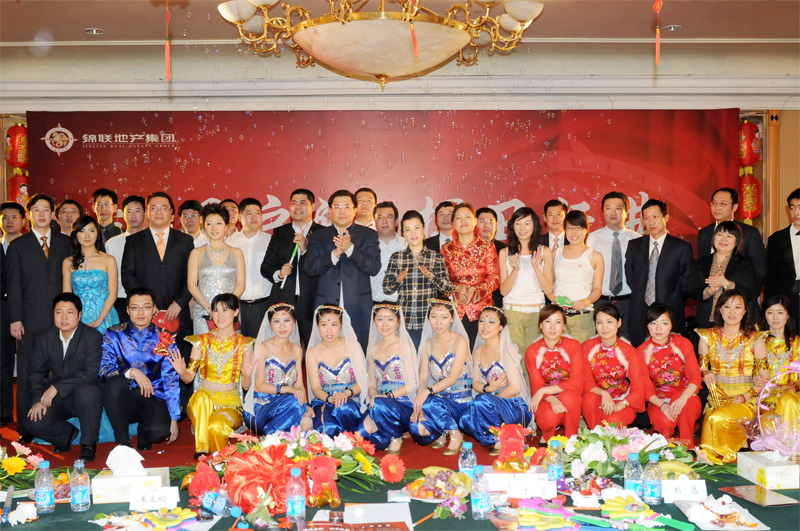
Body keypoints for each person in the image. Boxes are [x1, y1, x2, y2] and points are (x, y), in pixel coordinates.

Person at [7, 193, 71, 442]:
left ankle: (57, 421)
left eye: (46, 210)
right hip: (29, 321)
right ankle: (27, 427)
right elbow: (13, 286)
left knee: (61, 372)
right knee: (28, 373)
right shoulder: (18, 246)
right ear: (29, 215)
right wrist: (15, 319)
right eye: (36, 210)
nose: (42, 214)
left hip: (62, 320)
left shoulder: (66, 243)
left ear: (53, 214)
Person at [171, 294, 256, 459]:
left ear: (236, 312)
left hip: (231, 406)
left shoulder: (245, 344)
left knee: (215, 427)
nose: (220, 315)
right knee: (201, 397)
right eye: (216, 311)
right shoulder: (201, 341)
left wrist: (247, 376)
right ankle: (201, 450)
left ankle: (222, 461)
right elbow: (189, 378)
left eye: (225, 310)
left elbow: (246, 386)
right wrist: (181, 372)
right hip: (202, 405)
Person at [24, 293, 103, 462]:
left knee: (87, 392)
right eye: (59, 312)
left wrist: (57, 387)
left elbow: (90, 373)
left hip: (86, 395)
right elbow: (35, 372)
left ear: (79, 315)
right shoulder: (44, 337)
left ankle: (88, 444)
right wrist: (37, 399)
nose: (64, 317)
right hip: (59, 397)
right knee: (32, 423)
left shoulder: (93, 337)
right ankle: (67, 434)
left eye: (69, 312)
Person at [100, 287, 181, 451]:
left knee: (160, 432)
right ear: (128, 310)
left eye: (146, 307)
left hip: (153, 395)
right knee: (113, 384)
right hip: (124, 398)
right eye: (135, 307)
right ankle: (123, 443)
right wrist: (132, 372)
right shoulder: (113, 334)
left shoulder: (165, 338)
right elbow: (104, 370)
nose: (141, 312)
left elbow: (171, 379)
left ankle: (144, 432)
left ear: (154, 309)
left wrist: (174, 419)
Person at [697, 289, 769, 463]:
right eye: (727, 306)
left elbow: (765, 378)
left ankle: (724, 456)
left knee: (716, 419)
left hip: (745, 401)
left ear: (744, 311)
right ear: (720, 309)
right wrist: (705, 372)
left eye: (737, 307)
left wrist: (745, 396)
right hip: (716, 401)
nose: (732, 312)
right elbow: (700, 370)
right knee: (710, 431)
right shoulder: (707, 337)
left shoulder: (755, 339)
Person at [304, 190, 381, 349]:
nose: (342, 211)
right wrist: (334, 254)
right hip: (326, 311)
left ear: (355, 210)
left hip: (358, 309)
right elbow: (310, 268)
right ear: (330, 211)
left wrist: (350, 249)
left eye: (347, 207)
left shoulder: (369, 235)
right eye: (337, 207)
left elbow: (374, 267)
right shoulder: (318, 236)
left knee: (359, 355)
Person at [460, 307, 531, 453]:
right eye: (482, 321)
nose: (485, 326)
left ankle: (501, 437)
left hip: (514, 405)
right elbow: (475, 384)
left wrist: (490, 401)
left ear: (500, 327)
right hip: (489, 402)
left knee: (480, 402)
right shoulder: (478, 351)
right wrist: (489, 389)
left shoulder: (508, 350)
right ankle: (503, 436)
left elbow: (514, 389)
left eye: (491, 322)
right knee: (464, 418)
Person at [625, 198, 693, 346]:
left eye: (655, 217)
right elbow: (630, 276)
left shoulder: (681, 247)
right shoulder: (634, 245)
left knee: (668, 353)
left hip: (670, 310)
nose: (651, 222)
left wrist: (671, 298)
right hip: (640, 310)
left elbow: (686, 282)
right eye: (646, 218)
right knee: (640, 352)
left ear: (666, 217)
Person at [409, 300, 472, 455]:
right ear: (428, 318)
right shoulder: (427, 345)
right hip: (438, 401)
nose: (438, 322)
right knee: (416, 429)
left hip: (460, 401)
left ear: (452, 319)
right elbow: (422, 379)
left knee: (430, 402)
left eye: (444, 317)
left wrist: (427, 393)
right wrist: (418, 405)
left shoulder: (460, 341)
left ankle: (455, 434)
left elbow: (452, 378)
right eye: (434, 316)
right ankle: (443, 428)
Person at [261, 188, 323, 345]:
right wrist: (279, 273)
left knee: (314, 349)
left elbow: (325, 267)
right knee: (284, 350)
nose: (297, 207)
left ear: (313, 207)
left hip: (313, 303)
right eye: (294, 203)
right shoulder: (280, 232)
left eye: (302, 203)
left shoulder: (323, 233)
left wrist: (305, 250)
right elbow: (266, 267)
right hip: (284, 302)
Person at [383, 210, 453, 349]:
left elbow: (447, 288)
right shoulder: (397, 257)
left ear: (424, 230)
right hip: (404, 323)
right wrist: (398, 280)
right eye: (408, 230)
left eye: (417, 228)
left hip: (429, 323)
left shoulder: (435, 257)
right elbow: (387, 289)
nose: (413, 233)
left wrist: (431, 276)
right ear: (403, 234)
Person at [638, 303, 702, 447]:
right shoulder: (641, 352)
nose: (658, 328)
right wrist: (663, 406)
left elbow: (695, 377)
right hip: (659, 401)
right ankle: (665, 450)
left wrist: (682, 399)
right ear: (647, 325)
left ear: (672, 325)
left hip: (686, 398)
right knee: (664, 422)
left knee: (687, 406)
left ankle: (687, 444)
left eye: (664, 323)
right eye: (653, 323)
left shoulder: (683, 343)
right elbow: (645, 388)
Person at [244, 303, 313, 434]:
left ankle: (273, 436)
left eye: (286, 320)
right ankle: (273, 436)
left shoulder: (297, 350)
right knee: (295, 402)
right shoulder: (263, 347)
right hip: (259, 409)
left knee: (308, 420)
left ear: (294, 322)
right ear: (270, 323)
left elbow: (299, 384)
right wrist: (288, 390)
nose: (282, 326)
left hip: (287, 407)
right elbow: (259, 385)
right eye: (276, 321)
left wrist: (306, 405)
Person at [697, 187, 767, 314]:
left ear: (734, 207)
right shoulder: (704, 233)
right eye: (714, 203)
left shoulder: (749, 233)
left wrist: (745, 294)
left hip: (740, 303)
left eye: (723, 204)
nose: (717, 207)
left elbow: (760, 271)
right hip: (710, 304)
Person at [360, 304, 419, 454]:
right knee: (360, 434)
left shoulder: (404, 345)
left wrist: (386, 397)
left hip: (403, 404)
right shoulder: (373, 349)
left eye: (390, 319)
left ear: (398, 322)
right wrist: (374, 397)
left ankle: (395, 437)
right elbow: (371, 385)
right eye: (380, 319)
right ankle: (386, 435)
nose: (385, 324)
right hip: (380, 404)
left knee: (381, 405)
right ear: (374, 322)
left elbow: (413, 383)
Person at [441, 202, 500, 348]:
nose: (463, 221)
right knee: (457, 353)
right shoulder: (446, 249)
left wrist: (476, 288)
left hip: (482, 311)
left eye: (467, 217)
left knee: (481, 353)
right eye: (459, 217)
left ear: (475, 221)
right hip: (455, 311)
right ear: (453, 223)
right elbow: (443, 281)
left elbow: (494, 278)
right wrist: (457, 288)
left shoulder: (487, 246)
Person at [499, 206, 553, 360]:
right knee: (513, 357)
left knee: (533, 357)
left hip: (536, 311)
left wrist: (536, 267)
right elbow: (503, 291)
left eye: (527, 223)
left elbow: (548, 289)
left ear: (534, 225)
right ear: (512, 226)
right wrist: (514, 270)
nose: (522, 228)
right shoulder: (505, 253)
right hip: (512, 310)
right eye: (518, 223)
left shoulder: (544, 252)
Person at [305, 305, 368, 437]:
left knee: (344, 407)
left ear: (341, 325)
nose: (329, 330)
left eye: (334, 324)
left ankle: (347, 439)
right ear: (317, 326)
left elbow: (362, 381)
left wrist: (346, 394)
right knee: (325, 427)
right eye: (324, 324)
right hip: (324, 400)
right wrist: (329, 398)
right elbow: (315, 388)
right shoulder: (312, 352)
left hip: (350, 399)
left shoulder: (353, 346)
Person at [581, 303, 647, 429]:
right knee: (589, 400)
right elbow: (585, 381)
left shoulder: (629, 351)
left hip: (621, 399)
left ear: (619, 322)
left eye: (609, 322)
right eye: (599, 322)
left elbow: (638, 386)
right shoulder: (587, 347)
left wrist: (622, 404)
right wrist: (603, 393)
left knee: (612, 421)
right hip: (597, 398)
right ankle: (595, 435)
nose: (604, 327)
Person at [587, 191, 642, 339]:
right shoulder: (591, 239)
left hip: (628, 303)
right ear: (602, 212)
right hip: (600, 301)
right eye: (608, 208)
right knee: (599, 344)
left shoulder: (638, 240)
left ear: (626, 213)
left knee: (628, 343)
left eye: (618, 208)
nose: (613, 212)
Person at [525, 305, 584, 442]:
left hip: (569, 395)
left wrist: (544, 390)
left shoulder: (574, 346)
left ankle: (571, 439)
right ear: (541, 325)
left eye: (557, 322)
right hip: (545, 398)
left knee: (569, 398)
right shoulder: (532, 351)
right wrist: (552, 398)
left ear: (563, 326)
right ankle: (547, 436)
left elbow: (576, 382)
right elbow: (537, 386)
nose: (552, 327)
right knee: (549, 417)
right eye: (547, 321)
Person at [187, 203, 246, 335]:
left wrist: (226, 309)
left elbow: (241, 285)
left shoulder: (237, 253)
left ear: (226, 226)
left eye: (218, 223)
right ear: (204, 226)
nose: (214, 228)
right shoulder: (196, 253)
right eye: (209, 224)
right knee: (205, 347)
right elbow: (192, 285)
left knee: (231, 347)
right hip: (204, 313)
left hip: (230, 314)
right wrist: (211, 310)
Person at [689, 221, 756, 329]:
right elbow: (692, 290)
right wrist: (709, 291)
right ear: (713, 238)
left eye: (729, 236)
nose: (723, 239)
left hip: (734, 323)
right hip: (705, 321)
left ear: (736, 242)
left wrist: (726, 283)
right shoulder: (701, 262)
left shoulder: (744, 263)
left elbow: (748, 292)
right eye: (719, 235)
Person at [551, 210, 604, 343]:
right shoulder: (555, 253)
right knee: (556, 354)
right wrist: (553, 299)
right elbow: (548, 283)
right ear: (565, 230)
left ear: (586, 230)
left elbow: (597, 289)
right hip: (558, 316)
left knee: (582, 354)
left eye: (578, 228)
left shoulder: (595, 256)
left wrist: (586, 301)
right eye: (570, 228)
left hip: (583, 316)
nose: (574, 233)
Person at [62, 216, 120, 333]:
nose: (87, 236)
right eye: (82, 231)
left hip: (105, 316)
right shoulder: (68, 262)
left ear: (97, 234)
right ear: (76, 235)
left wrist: (100, 319)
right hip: (79, 318)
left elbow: (113, 294)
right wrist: (73, 318)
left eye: (91, 231)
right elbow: (67, 295)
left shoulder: (108, 260)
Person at [755, 295, 800, 430]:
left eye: (780, 313)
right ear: (764, 315)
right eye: (770, 313)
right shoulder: (756, 341)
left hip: (791, 396)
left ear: (788, 315)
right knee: (769, 425)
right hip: (764, 399)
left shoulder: (797, 343)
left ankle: (790, 441)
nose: (775, 318)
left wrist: (795, 387)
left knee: (788, 401)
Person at [230, 198, 271, 338]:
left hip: (262, 306)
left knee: (261, 347)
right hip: (235, 307)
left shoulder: (271, 241)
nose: (254, 217)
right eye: (249, 213)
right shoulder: (230, 242)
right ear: (240, 217)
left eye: (258, 213)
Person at [0, 201, 25, 426]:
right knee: (3, 361)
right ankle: (5, 411)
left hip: (27, 309)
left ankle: (30, 414)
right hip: (2, 308)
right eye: (4, 217)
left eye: (14, 217)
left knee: (29, 362)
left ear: (23, 220)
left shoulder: (30, 246)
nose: (9, 221)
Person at [105, 195, 146, 323]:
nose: (133, 216)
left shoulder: (154, 242)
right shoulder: (112, 243)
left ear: (145, 213)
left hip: (147, 301)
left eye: (137, 211)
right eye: (129, 211)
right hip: (120, 300)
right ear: (122, 214)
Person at [765, 188, 800, 332]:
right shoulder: (776, 239)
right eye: (792, 208)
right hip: (785, 300)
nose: (796, 212)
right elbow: (771, 276)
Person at [370, 201, 407, 304]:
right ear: (374, 222)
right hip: (373, 303)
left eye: (389, 217)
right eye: (380, 218)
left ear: (396, 221)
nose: (384, 222)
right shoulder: (367, 246)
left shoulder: (407, 245)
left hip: (401, 304)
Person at [477, 206, 507, 308]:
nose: (486, 225)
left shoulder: (504, 249)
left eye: (490, 222)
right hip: (474, 303)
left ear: (496, 225)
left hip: (499, 304)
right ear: (475, 223)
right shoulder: (468, 249)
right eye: (482, 221)